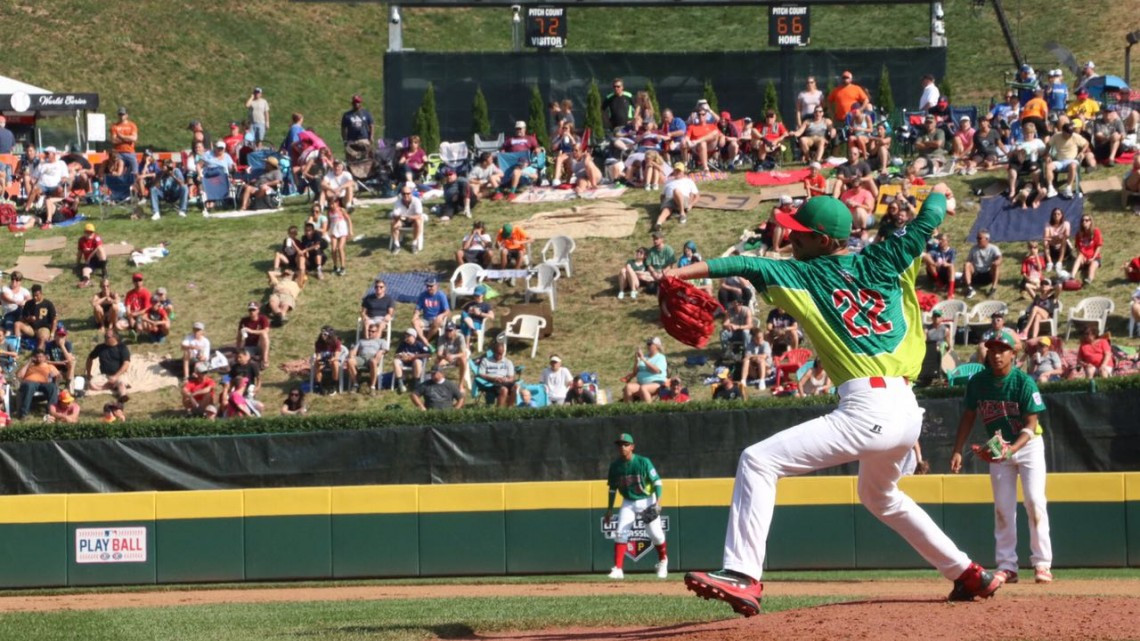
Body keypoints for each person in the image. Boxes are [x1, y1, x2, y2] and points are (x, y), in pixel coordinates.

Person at [668, 186, 1005, 616]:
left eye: (800, 234)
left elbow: (740, 263)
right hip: (906, 411)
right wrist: (940, 193)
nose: (790, 238)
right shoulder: (884, 257)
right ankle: (967, 572)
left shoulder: (803, 274)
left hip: (868, 408)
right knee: (879, 495)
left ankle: (743, 576)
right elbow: (929, 218)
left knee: (758, 460)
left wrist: (679, 274)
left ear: (824, 242)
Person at [950, 333, 1053, 585]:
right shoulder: (978, 382)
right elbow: (968, 415)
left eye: (1002, 349)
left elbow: (1031, 424)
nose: (996, 354)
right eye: (992, 349)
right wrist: (957, 449)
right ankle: (1007, 566)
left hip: (1028, 446)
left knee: (1034, 502)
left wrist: (1012, 449)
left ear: (1013, 354)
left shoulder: (1024, 382)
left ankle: (1042, 564)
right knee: (1003, 508)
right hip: (999, 448)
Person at [604, 432, 667, 580]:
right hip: (628, 501)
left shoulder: (643, 462)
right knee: (621, 532)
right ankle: (618, 569)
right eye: (620, 445)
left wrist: (658, 501)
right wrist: (609, 509)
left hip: (647, 500)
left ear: (632, 447)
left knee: (656, 534)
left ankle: (663, 560)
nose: (622, 447)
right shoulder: (615, 466)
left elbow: (657, 482)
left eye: (626, 445)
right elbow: (612, 489)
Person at [85, 332, 131, 403]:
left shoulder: (122, 347)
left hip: (119, 374)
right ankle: (111, 387)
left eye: (107, 337)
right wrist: (88, 373)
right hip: (105, 375)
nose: (105, 338)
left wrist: (116, 376)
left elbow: (126, 363)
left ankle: (122, 396)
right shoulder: (100, 347)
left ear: (114, 338)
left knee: (121, 383)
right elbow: (90, 358)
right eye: (105, 336)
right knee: (91, 384)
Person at [15, 350, 61, 420]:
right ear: (33, 357)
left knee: (53, 387)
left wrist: (56, 380)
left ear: (45, 357)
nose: (39, 358)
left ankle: (51, 412)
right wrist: (28, 362)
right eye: (37, 357)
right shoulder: (29, 366)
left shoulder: (49, 366)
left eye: (41, 357)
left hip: (44, 383)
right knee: (29, 386)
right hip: (29, 383)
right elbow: (19, 375)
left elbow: (58, 376)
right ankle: (23, 414)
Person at [621, 336, 667, 402]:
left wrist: (643, 359)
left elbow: (656, 370)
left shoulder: (660, 357)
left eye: (650, 344)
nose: (648, 346)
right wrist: (636, 361)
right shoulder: (645, 356)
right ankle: (629, 410)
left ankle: (648, 410)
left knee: (644, 388)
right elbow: (635, 372)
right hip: (641, 383)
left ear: (657, 346)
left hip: (656, 383)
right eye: (647, 344)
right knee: (628, 387)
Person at [654, 164, 698, 230]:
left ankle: (682, 213)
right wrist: (663, 204)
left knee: (676, 191)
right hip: (669, 199)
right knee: (666, 210)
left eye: (679, 171)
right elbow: (662, 195)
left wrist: (691, 205)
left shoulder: (689, 181)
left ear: (683, 172)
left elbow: (697, 195)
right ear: (673, 171)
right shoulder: (668, 181)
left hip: (682, 199)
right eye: (676, 170)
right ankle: (658, 224)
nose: (677, 172)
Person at [347, 321, 388, 391]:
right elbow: (354, 351)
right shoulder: (361, 341)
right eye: (369, 331)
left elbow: (385, 350)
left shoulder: (381, 341)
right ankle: (355, 384)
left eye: (373, 331)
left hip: (373, 357)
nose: (370, 333)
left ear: (377, 332)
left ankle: (372, 386)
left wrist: (380, 352)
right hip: (361, 357)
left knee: (373, 362)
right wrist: (351, 353)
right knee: (350, 361)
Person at [477, 335, 517, 407]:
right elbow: (481, 374)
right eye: (497, 353)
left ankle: (509, 409)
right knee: (504, 390)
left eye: (501, 354)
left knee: (516, 387)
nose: (499, 356)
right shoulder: (486, 360)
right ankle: (498, 411)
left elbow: (511, 377)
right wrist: (494, 378)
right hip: (492, 383)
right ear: (493, 351)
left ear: (503, 352)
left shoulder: (508, 362)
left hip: (505, 381)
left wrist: (506, 379)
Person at [963, 230, 1002, 299]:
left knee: (996, 265)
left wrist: (997, 261)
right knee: (967, 264)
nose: (977, 240)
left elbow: (999, 258)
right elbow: (968, 260)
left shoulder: (993, 248)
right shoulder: (974, 249)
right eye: (977, 238)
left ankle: (993, 288)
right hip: (977, 273)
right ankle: (969, 287)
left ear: (987, 239)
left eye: (980, 238)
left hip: (988, 274)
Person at [393, 327, 431, 394]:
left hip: (415, 362)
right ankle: (400, 384)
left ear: (413, 336)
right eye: (406, 336)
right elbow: (396, 355)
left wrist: (415, 356)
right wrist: (401, 356)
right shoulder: (403, 344)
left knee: (417, 361)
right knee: (395, 361)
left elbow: (428, 354)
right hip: (404, 362)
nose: (406, 337)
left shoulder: (419, 344)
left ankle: (416, 384)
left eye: (408, 336)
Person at [412, 277, 450, 344]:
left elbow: (447, 311)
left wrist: (441, 316)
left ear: (436, 286)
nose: (429, 288)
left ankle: (426, 340)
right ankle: (424, 340)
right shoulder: (423, 295)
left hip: (436, 319)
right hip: (426, 319)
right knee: (414, 322)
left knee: (437, 321)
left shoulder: (441, 295)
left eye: (431, 286)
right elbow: (417, 308)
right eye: (427, 286)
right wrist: (416, 314)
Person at [434, 321, 469, 392]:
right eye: (447, 330)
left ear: (455, 330)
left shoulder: (460, 337)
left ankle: (460, 384)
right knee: (437, 362)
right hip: (446, 358)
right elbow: (439, 354)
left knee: (463, 359)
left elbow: (463, 353)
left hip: (457, 359)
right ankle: (439, 384)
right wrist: (445, 357)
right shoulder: (441, 338)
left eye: (450, 330)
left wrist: (454, 356)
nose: (448, 332)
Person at [390, 185, 425, 255]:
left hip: (413, 220)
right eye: (404, 193)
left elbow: (419, 215)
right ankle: (396, 244)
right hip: (402, 220)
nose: (406, 195)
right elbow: (395, 214)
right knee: (393, 222)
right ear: (401, 194)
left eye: (408, 193)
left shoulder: (416, 201)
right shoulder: (398, 202)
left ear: (411, 193)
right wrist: (397, 217)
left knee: (418, 221)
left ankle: (414, 243)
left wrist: (409, 217)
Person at [1070, 215, 1103, 284]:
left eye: (1087, 220)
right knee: (1079, 257)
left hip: (1094, 257)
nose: (1084, 222)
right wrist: (1081, 256)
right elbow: (1078, 247)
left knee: (1092, 267)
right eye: (1082, 220)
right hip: (1083, 257)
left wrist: (1093, 258)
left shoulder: (1096, 231)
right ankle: (1072, 276)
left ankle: (1089, 279)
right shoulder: (1079, 234)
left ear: (1090, 222)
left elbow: (1098, 247)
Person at [312, 326, 344, 395]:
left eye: (325, 334)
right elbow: (318, 355)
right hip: (323, 360)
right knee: (317, 364)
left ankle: (334, 384)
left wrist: (330, 360)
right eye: (322, 334)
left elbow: (336, 356)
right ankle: (318, 385)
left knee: (335, 363)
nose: (323, 336)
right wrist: (318, 360)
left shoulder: (336, 342)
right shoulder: (318, 343)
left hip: (332, 360)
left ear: (330, 335)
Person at [237, 301, 271, 366]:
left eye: (253, 310)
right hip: (249, 346)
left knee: (264, 334)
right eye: (250, 310)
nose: (251, 312)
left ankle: (265, 359)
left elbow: (266, 331)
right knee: (243, 360)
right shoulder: (244, 320)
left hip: (260, 344)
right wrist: (238, 349)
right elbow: (239, 335)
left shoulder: (263, 318)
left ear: (258, 310)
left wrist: (251, 331)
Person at [76, 224, 109, 288]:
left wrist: (89, 257)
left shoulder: (97, 238)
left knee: (100, 249)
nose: (89, 234)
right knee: (85, 270)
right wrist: (77, 263)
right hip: (90, 262)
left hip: (98, 258)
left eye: (91, 232)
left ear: (93, 233)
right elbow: (80, 252)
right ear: (84, 232)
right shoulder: (81, 240)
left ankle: (104, 269)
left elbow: (99, 247)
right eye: (87, 232)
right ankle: (86, 280)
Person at [109, 106, 139, 175]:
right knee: (118, 172)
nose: (121, 116)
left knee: (135, 172)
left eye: (123, 114)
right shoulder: (114, 126)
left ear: (126, 115)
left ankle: (133, 184)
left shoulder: (132, 125)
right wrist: (128, 139)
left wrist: (122, 137)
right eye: (120, 114)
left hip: (130, 152)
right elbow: (113, 140)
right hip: (118, 153)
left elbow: (134, 138)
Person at [326, 201, 353, 276]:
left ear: (337, 203)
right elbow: (329, 222)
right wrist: (325, 231)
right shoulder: (329, 212)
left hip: (342, 231)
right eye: (330, 204)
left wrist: (350, 230)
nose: (331, 205)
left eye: (332, 203)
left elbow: (348, 219)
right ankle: (335, 267)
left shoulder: (341, 210)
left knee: (340, 248)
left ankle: (343, 267)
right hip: (334, 231)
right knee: (333, 249)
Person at [1043, 208, 1071, 272]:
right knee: (1045, 242)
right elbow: (1045, 237)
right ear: (1052, 216)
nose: (1056, 215)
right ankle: (1049, 263)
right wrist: (1056, 238)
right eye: (1055, 214)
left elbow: (1067, 235)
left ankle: (1059, 263)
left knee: (1063, 240)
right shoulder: (1048, 225)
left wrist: (1053, 238)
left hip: (1064, 247)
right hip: (1052, 247)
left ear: (1062, 215)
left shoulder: (1066, 224)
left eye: (1058, 214)